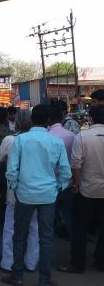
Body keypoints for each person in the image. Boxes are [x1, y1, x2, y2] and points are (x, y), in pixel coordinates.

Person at [1, 104, 72, 286]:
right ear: (48, 120)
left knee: (19, 234)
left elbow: (12, 170)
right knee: (46, 238)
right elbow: (65, 173)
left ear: (32, 119)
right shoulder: (56, 142)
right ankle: (45, 280)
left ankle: (17, 276)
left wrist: (16, 189)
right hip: (48, 196)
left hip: (24, 195)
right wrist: (56, 189)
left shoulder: (20, 140)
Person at [59, 106, 104, 274]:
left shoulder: (82, 136)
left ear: (91, 119)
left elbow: (76, 164)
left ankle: (78, 264)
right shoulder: (82, 136)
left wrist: (76, 185)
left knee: (80, 228)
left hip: (86, 190)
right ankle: (100, 262)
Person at [0, 110, 39, 273]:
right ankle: (31, 262)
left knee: (11, 227)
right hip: (35, 190)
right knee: (34, 227)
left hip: (14, 191)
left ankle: (9, 262)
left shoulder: (10, 140)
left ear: (17, 122)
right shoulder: (39, 139)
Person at [48, 104, 76, 242]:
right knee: (70, 215)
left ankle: (49, 249)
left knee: (49, 218)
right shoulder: (72, 136)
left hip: (49, 184)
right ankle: (73, 245)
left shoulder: (46, 136)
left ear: (48, 119)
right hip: (67, 183)